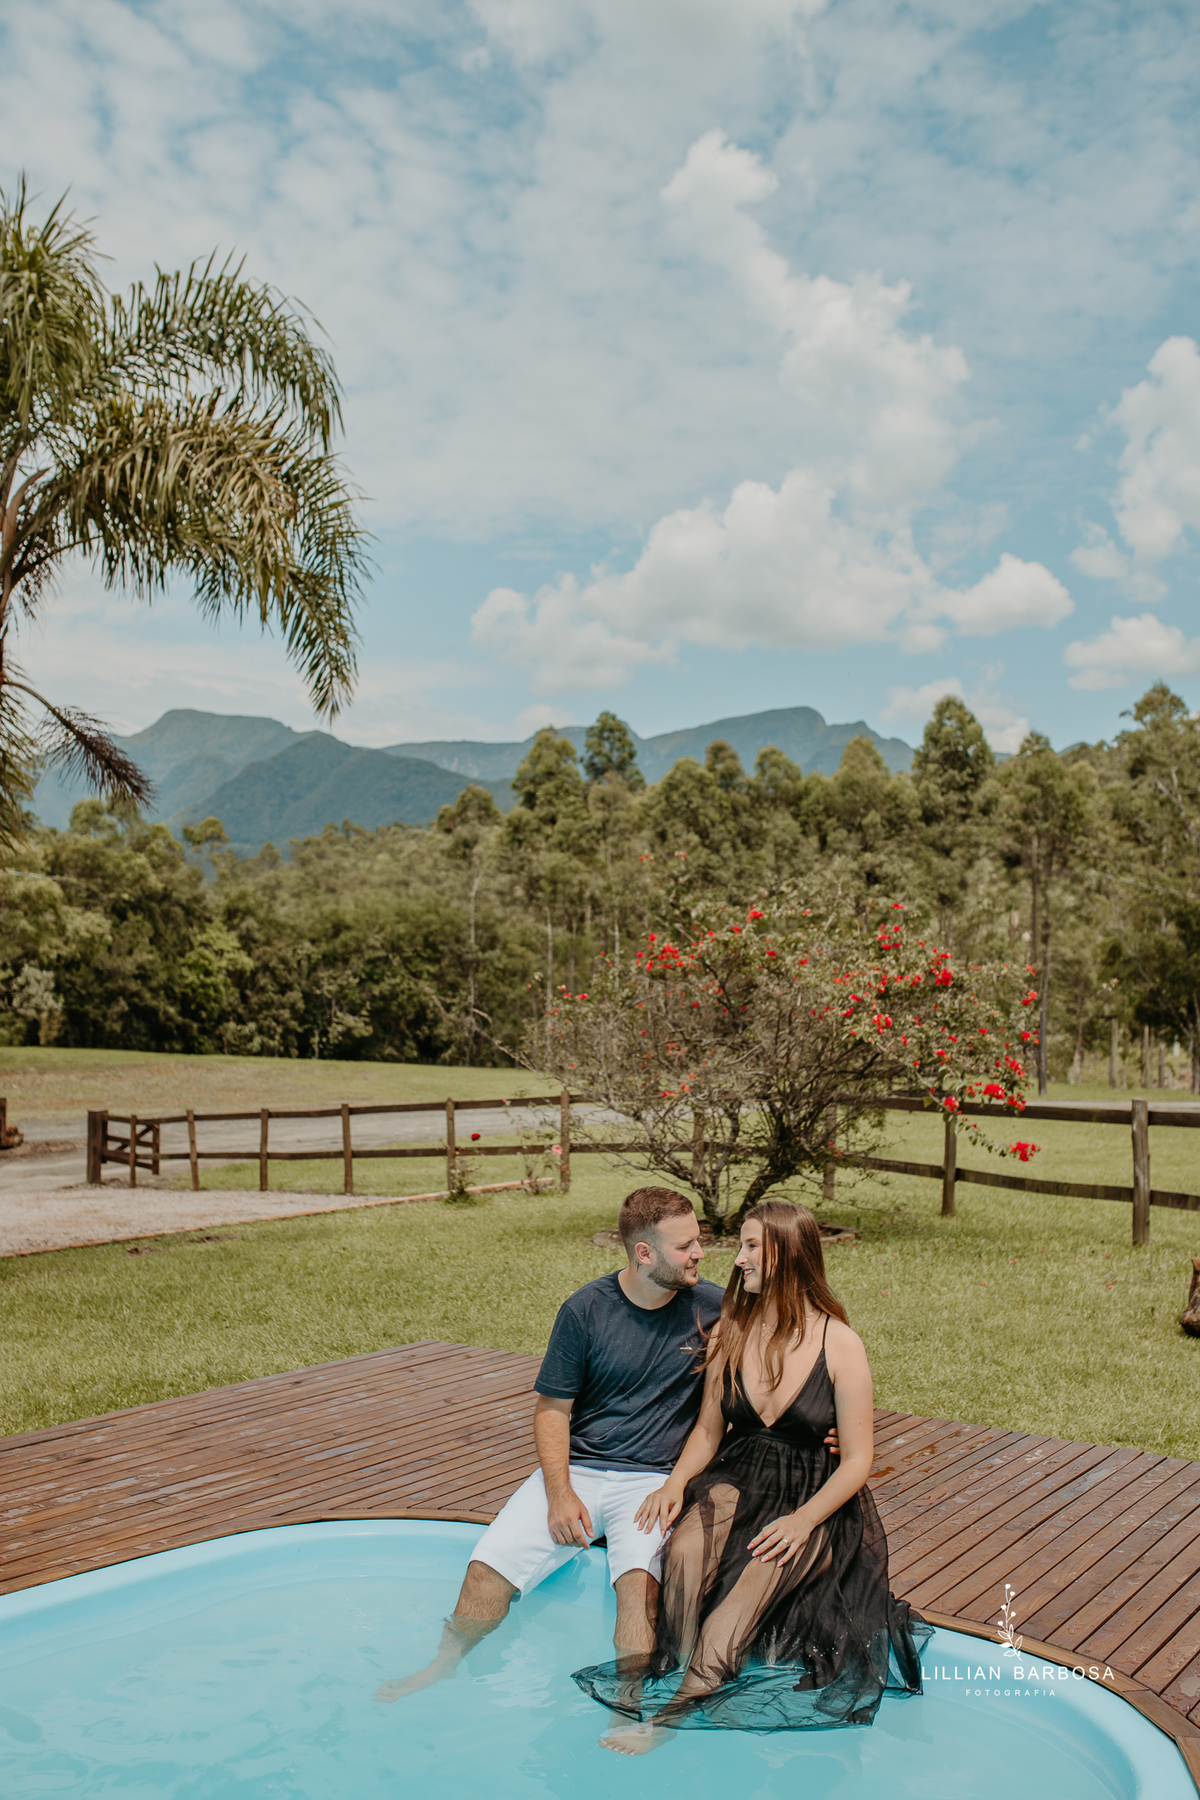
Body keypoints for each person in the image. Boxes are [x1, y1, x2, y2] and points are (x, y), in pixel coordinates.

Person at [573, 1199, 930, 1754]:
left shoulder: (840, 1344)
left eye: (750, 1246)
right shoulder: (732, 1331)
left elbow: (858, 1461)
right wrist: (673, 1485)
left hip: (811, 1499)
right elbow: (709, 1434)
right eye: (741, 1246)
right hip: (738, 1481)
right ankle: (681, 1669)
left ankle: (670, 1718)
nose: (737, 1259)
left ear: (788, 1253)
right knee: (685, 1553)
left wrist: (803, 1522)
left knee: (743, 1598)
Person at [374, 1186, 725, 1702]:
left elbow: (785, 1353)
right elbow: (552, 1410)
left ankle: (625, 1704)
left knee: (638, 1592)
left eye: (698, 1241)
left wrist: (825, 1426)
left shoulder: (715, 1307)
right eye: (685, 1246)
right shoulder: (585, 1310)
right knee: (486, 1568)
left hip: (653, 1479)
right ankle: (443, 1665)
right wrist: (560, 1494)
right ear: (643, 1253)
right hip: (578, 1469)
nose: (699, 1254)